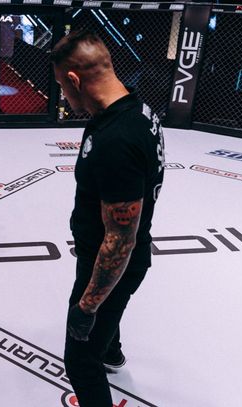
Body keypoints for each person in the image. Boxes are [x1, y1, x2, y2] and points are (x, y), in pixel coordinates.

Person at [50, 31, 165, 406]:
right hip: (109, 253)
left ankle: (101, 352)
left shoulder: (117, 139)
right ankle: (112, 351)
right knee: (106, 319)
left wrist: (86, 308)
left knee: (81, 359)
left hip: (111, 260)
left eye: (61, 87)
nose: (63, 97)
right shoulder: (136, 111)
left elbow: (119, 240)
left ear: (74, 80)